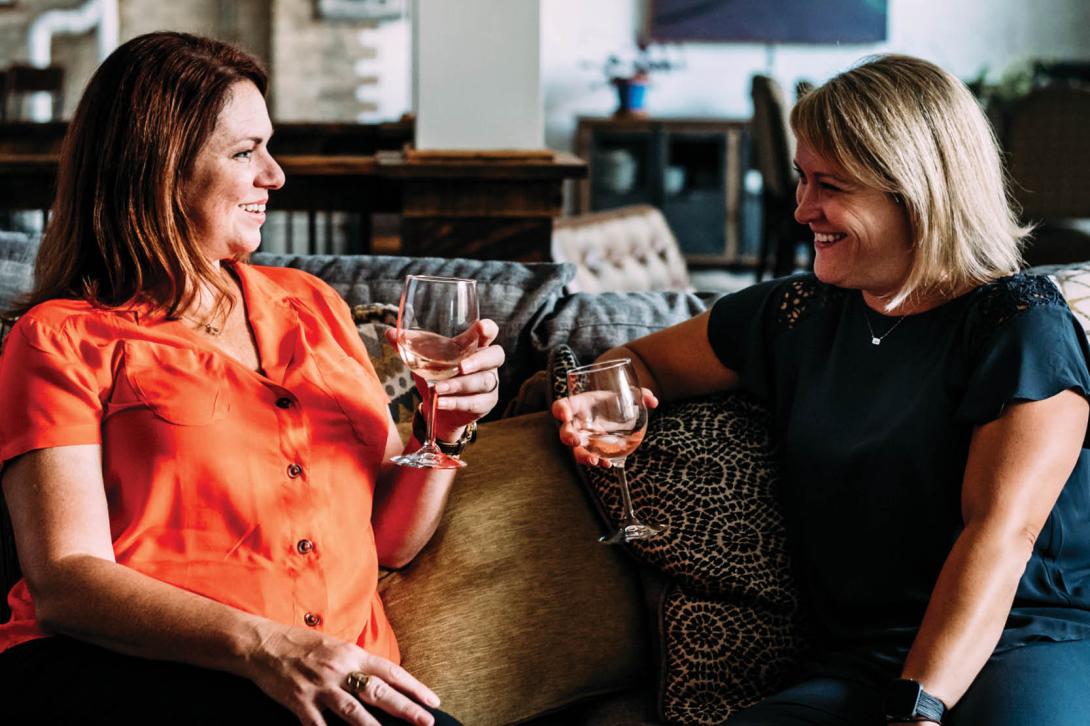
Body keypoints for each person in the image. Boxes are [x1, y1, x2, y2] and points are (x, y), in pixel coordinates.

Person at [555, 54, 1090, 725]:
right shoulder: (797, 314)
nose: (803, 208)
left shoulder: (1018, 321)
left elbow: (1000, 535)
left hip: (1024, 640)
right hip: (863, 662)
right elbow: (636, 362)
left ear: (916, 193)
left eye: (830, 186)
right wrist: (605, 399)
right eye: (803, 179)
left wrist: (916, 710)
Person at [0, 32, 504, 726]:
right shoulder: (61, 337)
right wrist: (268, 648)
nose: (275, 176)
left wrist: (441, 431)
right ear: (158, 169)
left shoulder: (313, 306)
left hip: (331, 675)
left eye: (268, 147)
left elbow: (390, 541)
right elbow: (65, 582)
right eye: (245, 153)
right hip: (127, 669)